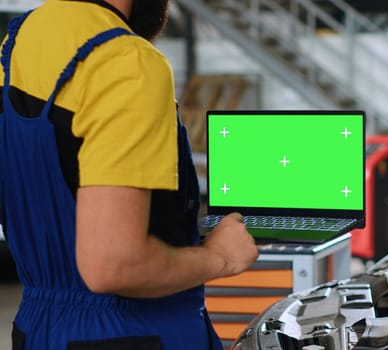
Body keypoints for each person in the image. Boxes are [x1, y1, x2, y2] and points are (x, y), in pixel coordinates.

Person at [0, 0, 258, 349]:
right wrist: (222, 256)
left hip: (36, 330)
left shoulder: (13, 47)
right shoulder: (126, 60)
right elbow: (114, 264)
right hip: (133, 333)